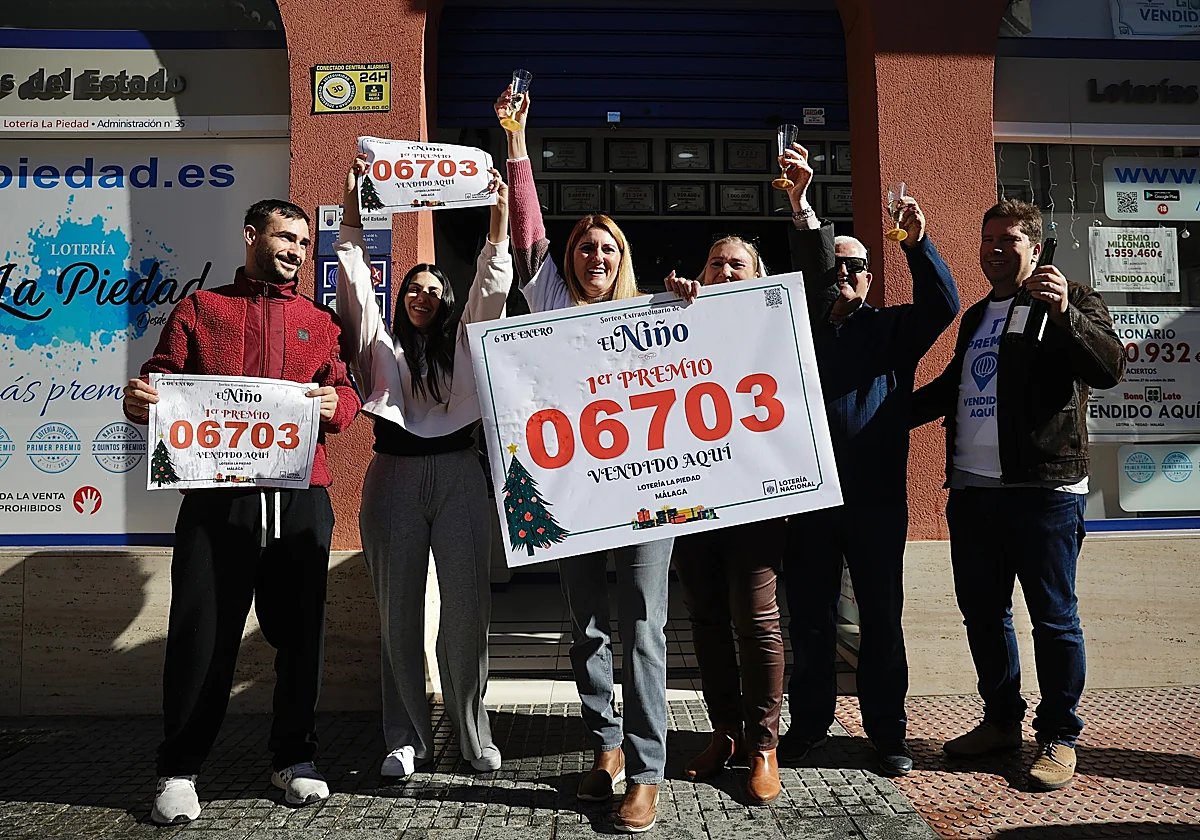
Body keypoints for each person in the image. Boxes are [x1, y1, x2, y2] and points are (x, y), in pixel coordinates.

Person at [122, 199, 361, 826]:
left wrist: (337, 403)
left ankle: (293, 758)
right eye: (286, 238)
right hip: (215, 500)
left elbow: (346, 391)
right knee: (202, 632)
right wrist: (142, 398)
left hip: (301, 496)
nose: (296, 251)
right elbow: (158, 379)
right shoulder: (202, 309)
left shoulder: (321, 322)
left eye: (305, 243)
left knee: (300, 634)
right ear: (252, 236)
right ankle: (179, 770)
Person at [497, 85, 671, 834]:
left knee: (644, 629)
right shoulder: (546, 297)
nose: (594, 255)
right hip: (571, 490)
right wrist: (516, 143)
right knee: (588, 628)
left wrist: (692, 305)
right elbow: (528, 227)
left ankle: (646, 770)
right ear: (566, 260)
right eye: (583, 247)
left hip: (649, 497)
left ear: (622, 259)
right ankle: (602, 744)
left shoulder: (655, 312)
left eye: (607, 248)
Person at [911, 199, 1124, 791]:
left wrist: (1067, 317)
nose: (995, 249)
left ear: (1034, 246)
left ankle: (1058, 736)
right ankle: (1001, 721)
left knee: (1054, 619)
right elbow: (950, 391)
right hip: (975, 493)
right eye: (987, 240)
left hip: (1045, 490)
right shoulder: (979, 314)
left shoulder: (1071, 298)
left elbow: (1110, 369)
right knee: (983, 614)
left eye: (1008, 240)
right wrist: (871, 416)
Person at [778, 144, 959, 776]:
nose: (848, 278)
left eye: (858, 269)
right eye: (839, 268)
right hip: (807, 505)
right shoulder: (799, 330)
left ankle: (888, 733)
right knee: (811, 622)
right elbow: (809, 259)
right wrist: (801, 208)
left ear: (872, 278)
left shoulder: (894, 329)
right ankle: (807, 725)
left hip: (877, 504)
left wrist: (917, 244)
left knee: (881, 621)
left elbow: (944, 304)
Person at [335, 153, 511, 779]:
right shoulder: (378, 348)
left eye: (436, 290)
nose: (423, 295)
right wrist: (354, 211)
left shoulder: (465, 342)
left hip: (460, 473)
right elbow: (354, 288)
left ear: (447, 301)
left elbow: (490, 291)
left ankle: (472, 733)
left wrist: (497, 225)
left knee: (466, 610)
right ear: (401, 296)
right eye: (413, 287)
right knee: (397, 610)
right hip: (394, 476)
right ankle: (402, 736)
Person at [663, 240, 786, 805]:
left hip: (755, 496)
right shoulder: (678, 317)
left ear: (758, 276)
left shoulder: (772, 321)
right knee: (707, 619)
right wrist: (665, 308)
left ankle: (764, 746)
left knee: (757, 620)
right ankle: (727, 734)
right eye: (716, 262)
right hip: (691, 497)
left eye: (738, 263)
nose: (725, 270)